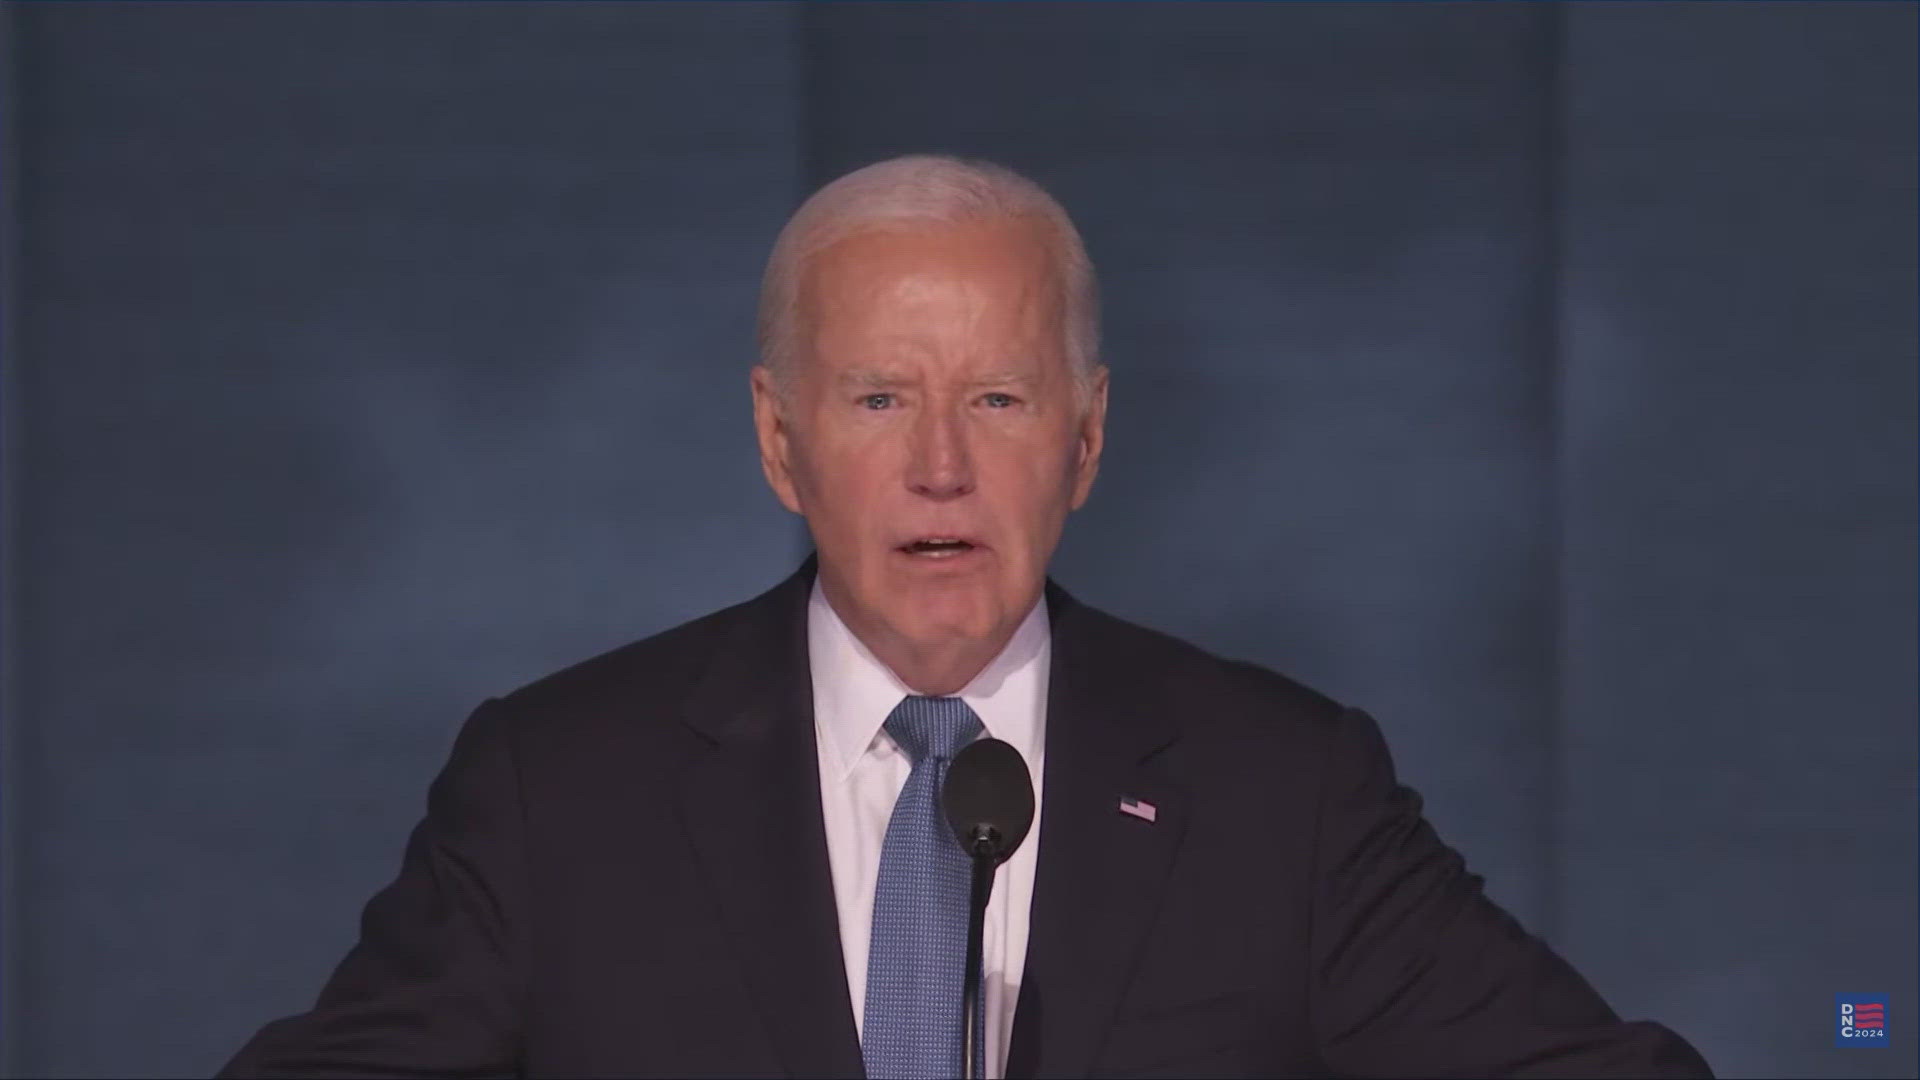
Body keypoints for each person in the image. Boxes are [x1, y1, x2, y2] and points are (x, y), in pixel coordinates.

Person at [221, 155, 1712, 1079]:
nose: (940, 463)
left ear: (1087, 437)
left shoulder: (1284, 793)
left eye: (997, 399)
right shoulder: (559, 790)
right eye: (879, 398)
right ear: (779, 439)